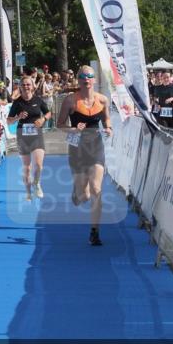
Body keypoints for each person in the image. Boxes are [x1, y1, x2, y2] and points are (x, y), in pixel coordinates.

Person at [57, 65, 112, 246]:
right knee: (83, 197)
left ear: (94, 80)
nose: (86, 79)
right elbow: (60, 124)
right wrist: (73, 128)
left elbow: (106, 120)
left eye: (89, 76)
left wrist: (109, 129)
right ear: (79, 80)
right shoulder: (70, 101)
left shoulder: (103, 100)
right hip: (77, 148)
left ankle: (94, 232)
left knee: (96, 189)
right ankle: (77, 189)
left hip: (96, 146)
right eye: (83, 76)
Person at [8, 75, 52, 200]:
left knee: (38, 165)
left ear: (32, 86)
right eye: (23, 85)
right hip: (23, 135)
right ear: (20, 87)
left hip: (37, 135)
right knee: (27, 167)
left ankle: (37, 183)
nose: (26, 87)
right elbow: (9, 121)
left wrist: (43, 119)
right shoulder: (17, 102)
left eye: (28, 84)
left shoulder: (38, 100)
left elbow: (48, 113)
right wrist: (18, 117)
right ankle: (28, 192)